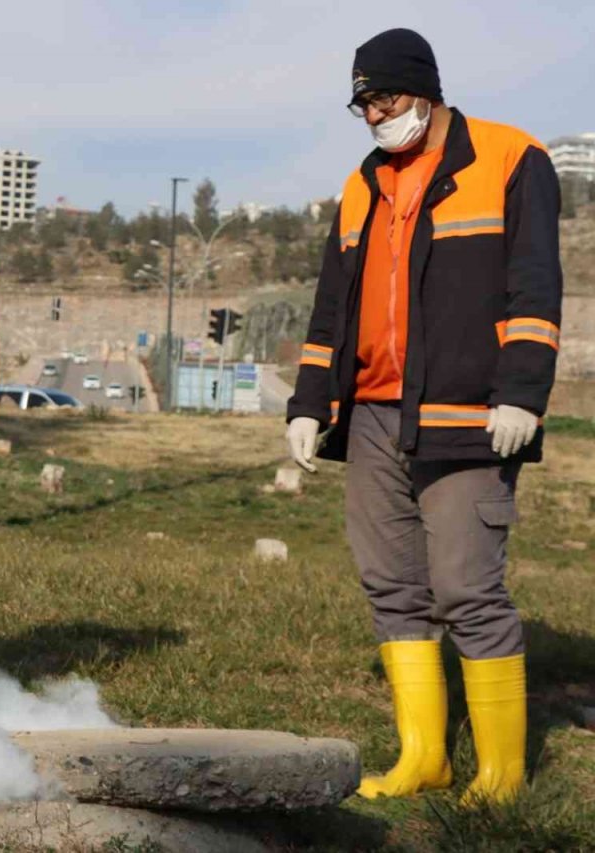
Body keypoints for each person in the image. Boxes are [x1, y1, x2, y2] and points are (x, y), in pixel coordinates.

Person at [286, 29, 562, 805]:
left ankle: (501, 777)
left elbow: (536, 283)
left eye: (386, 98)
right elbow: (331, 306)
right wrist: (308, 404)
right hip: (373, 415)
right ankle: (425, 757)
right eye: (364, 105)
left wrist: (522, 392)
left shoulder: (511, 158)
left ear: (426, 90)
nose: (376, 115)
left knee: (467, 587)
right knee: (391, 585)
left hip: (468, 415)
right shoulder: (361, 183)